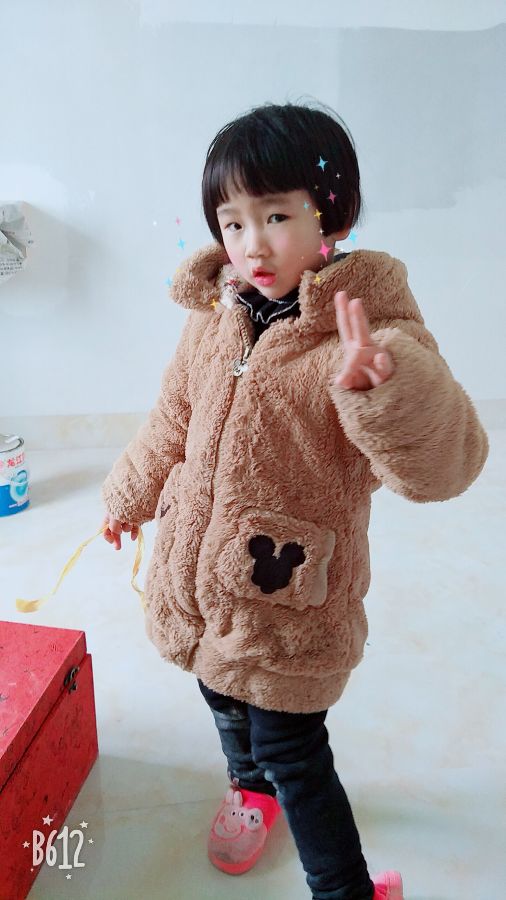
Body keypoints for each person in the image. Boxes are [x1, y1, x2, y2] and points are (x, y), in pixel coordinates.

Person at [101, 101, 489, 900]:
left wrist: (386, 389)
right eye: (233, 223)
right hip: (197, 579)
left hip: (288, 601)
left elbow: (445, 468)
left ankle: (345, 888)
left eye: (276, 216)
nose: (252, 244)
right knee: (219, 698)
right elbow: (171, 419)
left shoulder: (370, 331)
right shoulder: (215, 316)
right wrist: (127, 495)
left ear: (330, 213)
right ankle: (248, 791)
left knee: (294, 754)